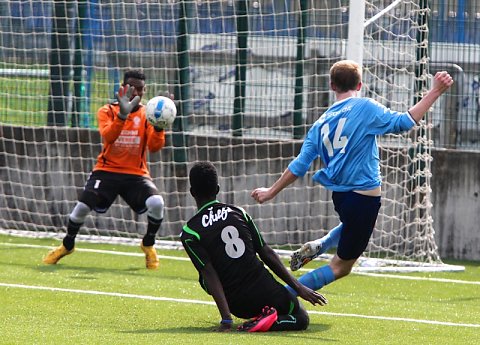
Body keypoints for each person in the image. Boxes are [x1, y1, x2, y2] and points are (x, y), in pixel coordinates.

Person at [251, 60, 454, 294]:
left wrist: (270, 192)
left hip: (341, 197)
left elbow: (299, 165)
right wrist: (436, 91)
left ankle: (322, 244)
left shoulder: (319, 124)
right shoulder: (364, 107)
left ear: (331, 85)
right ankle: (283, 295)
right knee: (341, 266)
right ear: (359, 85)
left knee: (352, 225)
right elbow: (404, 123)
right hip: (364, 197)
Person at [43, 69, 169, 270]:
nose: (137, 92)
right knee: (81, 209)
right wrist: (122, 116)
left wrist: (160, 127)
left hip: (135, 174)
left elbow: (154, 147)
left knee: (157, 202)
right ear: (124, 88)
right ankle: (67, 245)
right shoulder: (107, 111)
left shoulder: (148, 114)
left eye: (141, 89)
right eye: (133, 87)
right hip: (106, 170)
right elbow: (108, 136)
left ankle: (148, 244)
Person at [180, 161, 328, 332]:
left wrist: (227, 319)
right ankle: (269, 321)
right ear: (218, 189)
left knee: (204, 272)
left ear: (192, 192)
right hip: (263, 288)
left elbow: (208, 273)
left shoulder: (190, 232)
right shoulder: (238, 213)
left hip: (236, 304)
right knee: (301, 317)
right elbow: (266, 252)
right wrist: (298, 287)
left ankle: (254, 319)